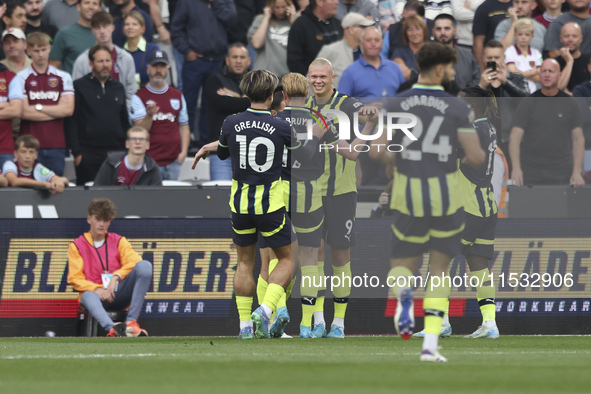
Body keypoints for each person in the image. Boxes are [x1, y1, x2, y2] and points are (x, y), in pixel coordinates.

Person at [369, 42, 485, 362]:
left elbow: (376, 152)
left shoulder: (395, 103)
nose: (452, 72)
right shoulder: (458, 107)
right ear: (439, 69)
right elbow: (475, 157)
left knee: (403, 265)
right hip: (445, 198)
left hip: (407, 196)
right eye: (450, 67)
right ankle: (430, 345)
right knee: (439, 270)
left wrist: (400, 154)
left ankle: (404, 296)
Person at [192, 70, 299, 339]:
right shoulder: (282, 127)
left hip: (240, 204)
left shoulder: (230, 122)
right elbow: (298, 154)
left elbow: (225, 150)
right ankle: (265, 309)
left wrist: (210, 145)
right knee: (286, 260)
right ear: (272, 94)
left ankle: (244, 327)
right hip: (270, 204)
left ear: (247, 92)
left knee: (244, 263)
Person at [413, 86, 500, 339]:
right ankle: (490, 323)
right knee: (479, 265)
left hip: (466, 207)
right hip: (485, 204)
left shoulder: (471, 130)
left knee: (438, 264)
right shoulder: (488, 127)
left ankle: (440, 323)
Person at [68, 198, 153, 337]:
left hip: (118, 293)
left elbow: (135, 261)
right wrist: (97, 289)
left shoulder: (119, 240)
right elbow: (75, 278)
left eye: (106, 220)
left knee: (145, 266)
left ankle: (131, 323)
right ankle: (113, 329)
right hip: (95, 296)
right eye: (98, 219)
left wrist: (116, 277)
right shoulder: (76, 245)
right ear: (89, 219)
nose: (102, 224)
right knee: (86, 295)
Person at [509, 58, 585, 187]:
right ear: (539, 75)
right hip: (531, 170)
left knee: (559, 207)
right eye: (543, 71)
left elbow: (578, 139)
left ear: (559, 75)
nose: (547, 74)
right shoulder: (528, 103)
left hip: (562, 171)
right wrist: (516, 168)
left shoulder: (570, 103)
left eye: (551, 71)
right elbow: (514, 137)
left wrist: (577, 172)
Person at [171, 0, 237, 147]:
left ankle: (206, 141)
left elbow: (232, 20)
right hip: (196, 60)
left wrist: (216, 3)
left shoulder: (223, 2)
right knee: (189, 103)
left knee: (211, 104)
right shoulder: (186, 3)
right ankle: (185, 143)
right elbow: (176, 30)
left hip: (218, 61)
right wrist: (186, 51)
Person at [66, 44, 131, 186]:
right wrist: (77, 153)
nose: (105, 65)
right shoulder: (79, 86)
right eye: (100, 61)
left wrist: (127, 150)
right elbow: (72, 121)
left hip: (116, 153)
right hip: (88, 154)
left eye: (108, 61)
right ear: (91, 64)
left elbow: (124, 121)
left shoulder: (118, 87)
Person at [18, 32, 75, 177]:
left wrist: (38, 107)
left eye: (44, 49)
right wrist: (56, 110)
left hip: (56, 145)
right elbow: (23, 112)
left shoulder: (64, 77)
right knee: (28, 190)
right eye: (36, 51)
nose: (41, 54)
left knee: (56, 189)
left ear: (50, 48)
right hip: (28, 147)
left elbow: (68, 110)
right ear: (28, 51)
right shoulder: (21, 77)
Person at [129, 50, 190, 181]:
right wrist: (149, 115)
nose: (158, 70)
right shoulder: (139, 97)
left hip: (174, 162)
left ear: (167, 68)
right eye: (155, 66)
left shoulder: (178, 95)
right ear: (148, 68)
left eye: (162, 66)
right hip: (149, 162)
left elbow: (184, 126)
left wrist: (183, 152)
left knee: (172, 200)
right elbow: (140, 131)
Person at [203, 43, 252, 180]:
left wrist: (230, 96)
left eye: (242, 57)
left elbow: (265, 103)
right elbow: (221, 104)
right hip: (221, 151)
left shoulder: (255, 82)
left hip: (250, 152)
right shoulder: (214, 80)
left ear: (249, 60)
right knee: (220, 198)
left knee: (248, 198)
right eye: (234, 57)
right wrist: (249, 99)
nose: (238, 60)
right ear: (227, 60)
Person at [71, 11, 137, 106]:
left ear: (112, 27)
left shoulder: (126, 58)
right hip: (91, 113)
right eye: (97, 28)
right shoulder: (82, 60)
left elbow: (131, 92)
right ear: (92, 30)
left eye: (105, 26)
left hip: (119, 112)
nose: (102, 31)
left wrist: (124, 114)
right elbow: (77, 92)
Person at [339, 26, 405, 97]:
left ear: (382, 43)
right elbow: (340, 103)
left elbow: (405, 97)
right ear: (361, 44)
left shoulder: (394, 68)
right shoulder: (350, 72)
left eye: (377, 40)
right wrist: (363, 107)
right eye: (368, 40)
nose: (373, 44)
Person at [317, 12, 375, 87]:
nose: (367, 31)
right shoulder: (331, 50)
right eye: (363, 27)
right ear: (351, 29)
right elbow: (312, 80)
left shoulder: (367, 51)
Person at [287, 0, 343, 75]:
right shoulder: (300, 26)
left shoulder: (338, 24)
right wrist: (310, 81)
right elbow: (294, 61)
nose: (337, 2)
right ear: (319, 2)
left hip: (339, 81)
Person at [93, 126, 162, 186]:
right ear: (127, 144)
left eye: (141, 139)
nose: (137, 142)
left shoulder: (152, 168)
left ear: (147, 145)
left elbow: (157, 196)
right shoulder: (111, 163)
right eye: (133, 139)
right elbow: (97, 189)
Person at [3, 134, 69, 194]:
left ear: (36, 155)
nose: (27, 156)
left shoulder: (38, 167)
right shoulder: (10, 164)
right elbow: (14, 181)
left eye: (31, 152)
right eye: (23, 152)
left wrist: (59, 181)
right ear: (16, 154)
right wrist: (44, 184)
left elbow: (62, 179)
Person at [49, 0, 101, 75]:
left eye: (95, 4)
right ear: (79, 7)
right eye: (87, 3)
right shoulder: (64, 34)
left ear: (99, 8)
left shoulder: (105, 34)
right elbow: (53, 67)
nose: (91, 7)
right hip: (72, 85)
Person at [248, 0, 298, 78]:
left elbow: (303, 45)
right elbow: (257, 44)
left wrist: (293, 22)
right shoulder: (261, 20)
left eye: (283, 7)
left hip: (289, 77)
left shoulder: (297, 20)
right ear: (270, 6)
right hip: (265, 77)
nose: (281, 11)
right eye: (277, 7)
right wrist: (266, 17)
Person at [432, 13, 481, 91]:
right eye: (439, 29)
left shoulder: (467, 54)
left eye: (447, 28)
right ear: (433, 31)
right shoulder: (426, 56)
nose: (443, 32)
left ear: (455, 30)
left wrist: (465, 95)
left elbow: (477, 79)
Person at [123, 10, 160, 89]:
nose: (130, 27)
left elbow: (156, 74)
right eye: (127, 24)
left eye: (134, 24)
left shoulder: (153, 50)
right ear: (123, 28)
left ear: (142, 29)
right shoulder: (120, 52)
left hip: (148, 95)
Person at [503, 18, 541, 93]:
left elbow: (541, 76)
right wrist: (533, 72)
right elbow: (513, 73)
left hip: (533, 93)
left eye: (527, 34)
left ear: (532, 36)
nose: (523, 37)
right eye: (520, 34)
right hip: (515, 94)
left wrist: (523, 74)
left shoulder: (536, 53)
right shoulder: (509, 51)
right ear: (515, 35)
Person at [472, 0, 512, 70]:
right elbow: (478, 42)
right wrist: (482, 69)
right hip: (493, 60)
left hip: (518, 59)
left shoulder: (519, 5)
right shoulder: (484, 7)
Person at [554, 22, 590, 94]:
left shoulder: (589, 60)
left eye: (574, 36)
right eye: (566, 36)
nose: (570, 39)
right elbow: (558, 89)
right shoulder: (555, 62)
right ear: (561, 38)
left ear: (581, 39)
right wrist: (569, 62)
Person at [0, 59, 23, 169]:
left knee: (8, 185)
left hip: (4, 149)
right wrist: (4, 105)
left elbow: (16, 110)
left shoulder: (9, 76)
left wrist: (11, 107)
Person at [393, 15, 429, 80]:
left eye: (418, 29)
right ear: (405, 33)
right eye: (410, 30)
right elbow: (403, 73)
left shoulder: (432, 51)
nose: (414, 33)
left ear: (424, 30)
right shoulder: (399, 52)